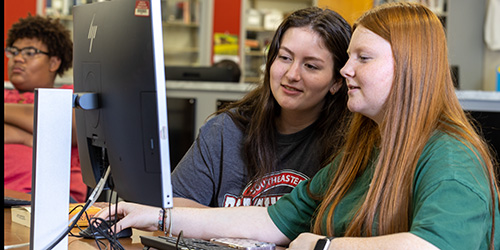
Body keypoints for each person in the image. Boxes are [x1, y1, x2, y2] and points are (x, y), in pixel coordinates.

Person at [97, 2, 500, 249]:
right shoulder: (367, 147)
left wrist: (324, 246)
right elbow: (273, 219)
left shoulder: (451, 157)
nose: (345, 70)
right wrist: (156, 216)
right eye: (349, 58)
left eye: (363, 58)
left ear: (410, 69)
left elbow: (432, 246)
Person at [172, 6, 352, 208]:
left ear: (337, 81)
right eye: (285, 57)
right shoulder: (224, 131)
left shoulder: (348, 145)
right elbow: (176, 203)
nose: (292, 74)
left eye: (311, 66)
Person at [4, 15, 87, 203]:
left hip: (49, 200)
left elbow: (66, 128)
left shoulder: (70, 95)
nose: (18, 58)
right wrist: (27, 137)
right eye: (14, 51)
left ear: (54, 63)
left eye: (29, 52)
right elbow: (47, 123)